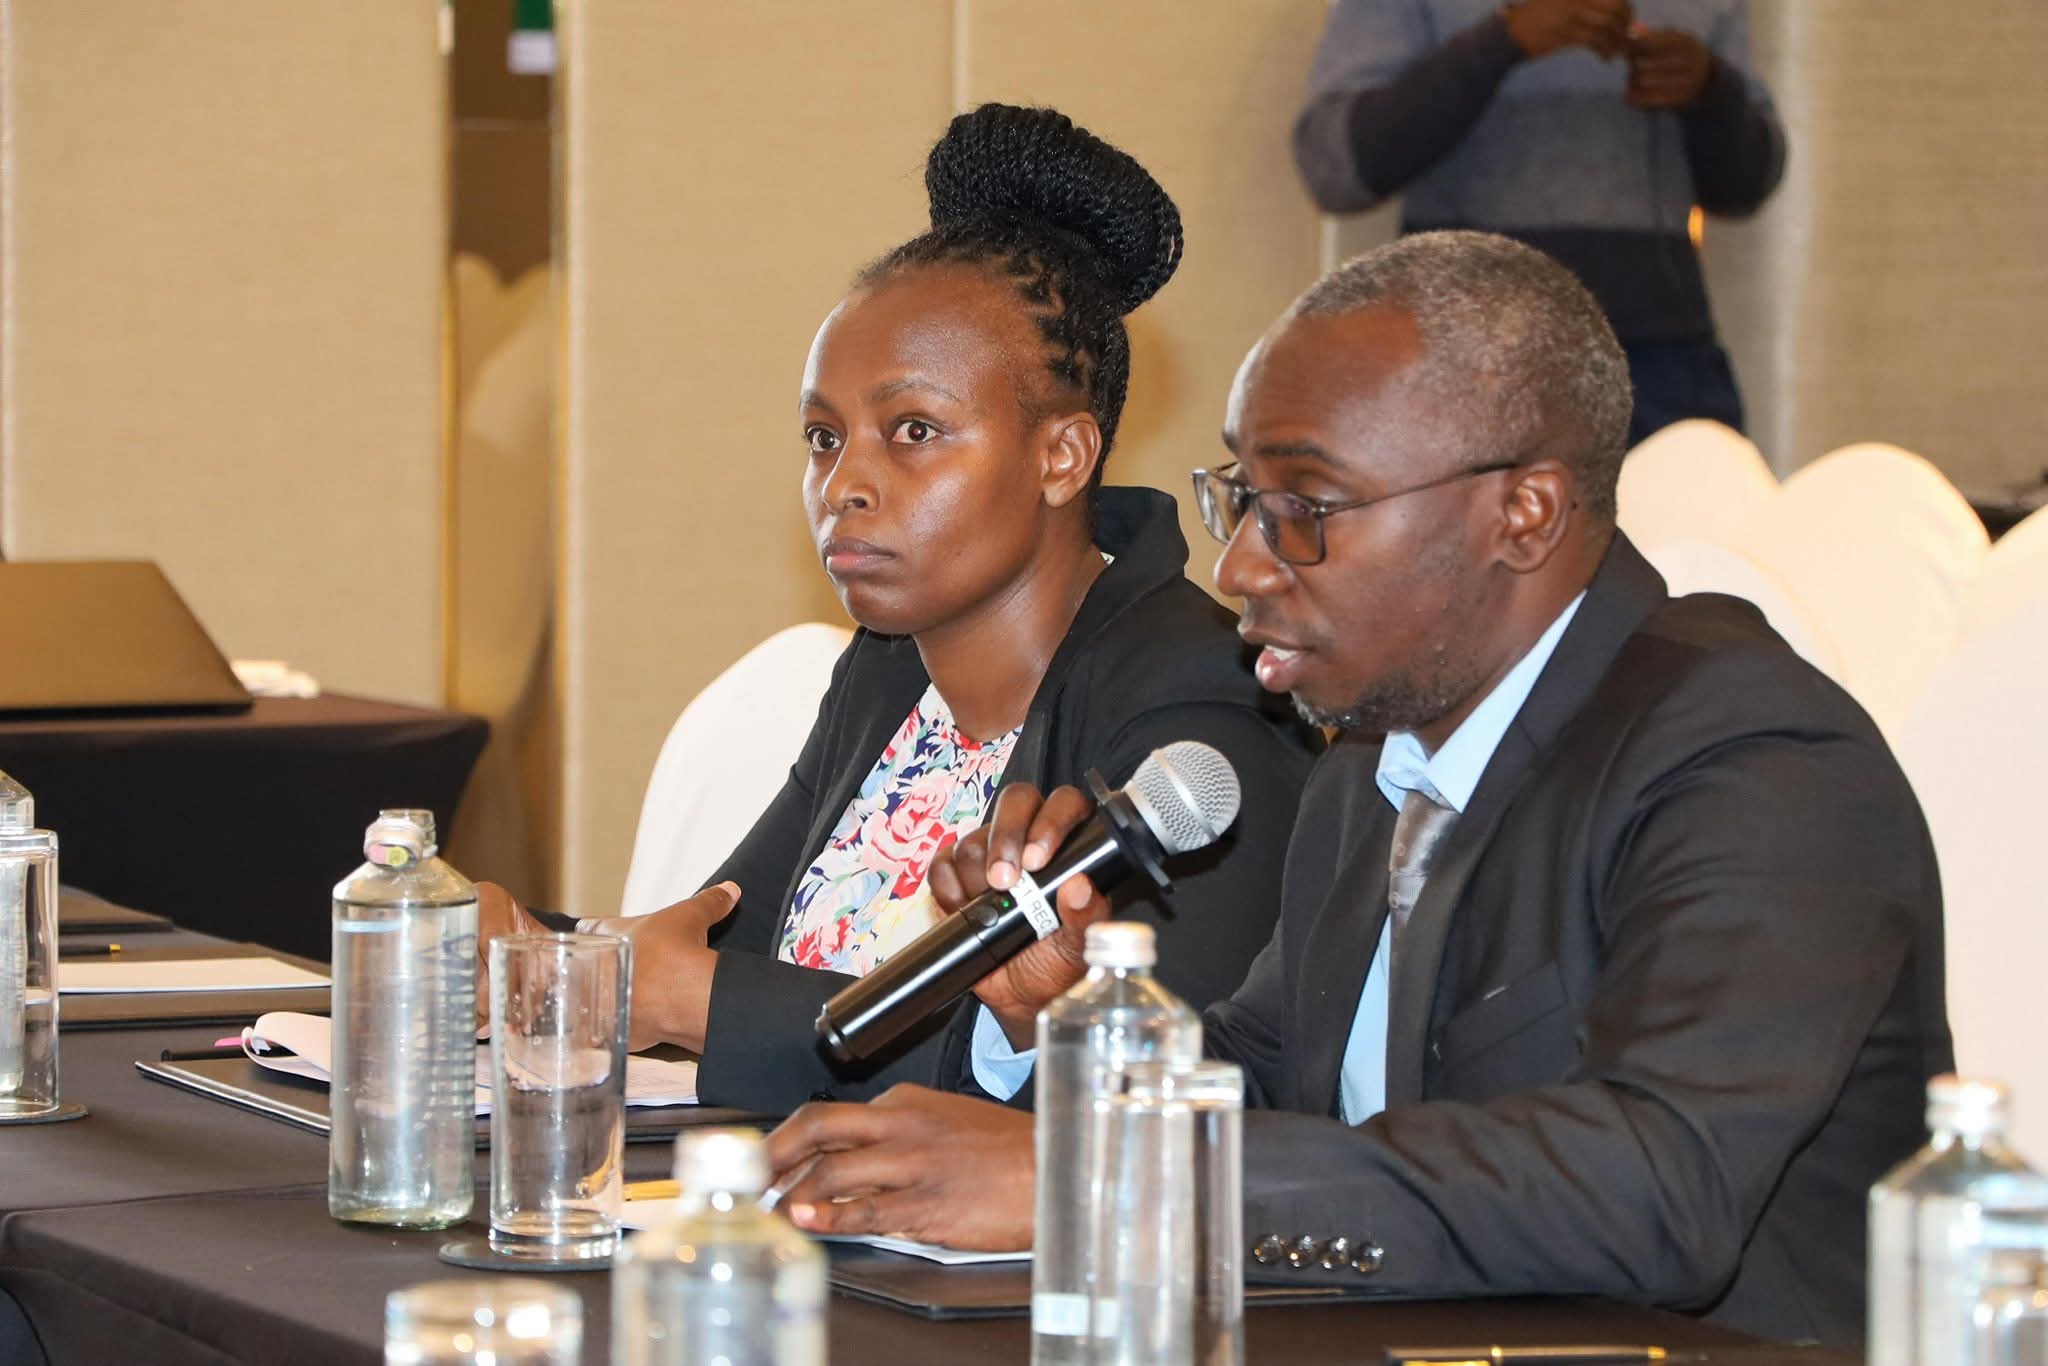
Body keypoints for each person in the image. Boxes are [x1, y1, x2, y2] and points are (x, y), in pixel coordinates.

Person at [762, 231, 1949, 1350]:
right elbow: (1264, 1084)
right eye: (1240, 498)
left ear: (1521, 512)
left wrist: (1107, 1172)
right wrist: (1060, 1021)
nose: (1239, 564)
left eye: (1305, 510)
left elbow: (1654, 1184)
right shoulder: (1367, 765)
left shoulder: (1755, 760)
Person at [477, 105, 1320, 1115]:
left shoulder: (1204, 715)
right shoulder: (888, 667)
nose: (844, 485)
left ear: (1061, 456)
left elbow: (1155, 1088)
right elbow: (721, 946)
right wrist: (525, 948)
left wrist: (685, 998)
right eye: (823, 438)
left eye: (913, 430)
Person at [1292, 0, 1784, 446]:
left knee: (1694, 519)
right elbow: (1335, 167)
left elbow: (1749, 184)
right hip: (1462, 360)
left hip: (1659, 366)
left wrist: (1711, 92)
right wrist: (1503, 40)